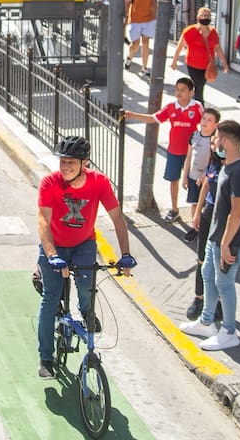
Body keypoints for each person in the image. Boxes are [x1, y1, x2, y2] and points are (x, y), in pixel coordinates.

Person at [36, 136, 135, 378]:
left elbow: (118, 220)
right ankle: (46, 358)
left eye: (71, 162)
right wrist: (51, 254)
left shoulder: (99, 182)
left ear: (85, 163)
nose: (65, 167)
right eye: (62, 162)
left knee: (86, 283)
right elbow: (42, 221)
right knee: (50, 299)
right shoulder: (50, 182)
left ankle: (86, 310)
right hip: (55, 247)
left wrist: (126, 255)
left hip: (83, 244)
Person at [179, 119, 240, 351]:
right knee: (207, 273)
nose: (212, 143)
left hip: (229, 241)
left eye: (215, 139)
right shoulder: (228, 165)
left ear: (224, 140)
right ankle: (206, 321)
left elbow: (238, 212)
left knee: (224, 283)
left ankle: (229, 332)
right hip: (217, 237)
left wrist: (225, 244)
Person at [124, 77, 203, 222]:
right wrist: (133, 115)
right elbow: (154, 118)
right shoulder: (171, 107)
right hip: (174, 151)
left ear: (191, 92)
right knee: (173, 180)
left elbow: (206, 124)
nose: (179, 93)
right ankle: (174, 209)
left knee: (193, 182)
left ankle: (196, 213)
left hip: (192, 153)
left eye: (183, 90)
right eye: (177, 89)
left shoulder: (196, 107)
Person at [185, 110, 224, 321]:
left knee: (217, 262)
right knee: (201, 259)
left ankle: (217, 302)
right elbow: (207, 184)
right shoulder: (214, 161)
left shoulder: (236, 166)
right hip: (209, 212)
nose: (213, 143)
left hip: (223, 218)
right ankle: (199, 298)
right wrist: (198, 211)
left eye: (217, 139)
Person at [171, 6, 230, 103]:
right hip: (193, 64)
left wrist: (224, 63)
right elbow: (180, 46)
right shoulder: (190, 31)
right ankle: (199, 105)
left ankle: (194, 104)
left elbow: (218, 48)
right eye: (202, 15)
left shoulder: (213, 32)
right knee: (198, 86)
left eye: (207, 16)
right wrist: (174, 61)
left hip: (207, 66)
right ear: (198, 17)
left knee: (200, 85)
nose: (205, 18)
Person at [183, 107, 221, 245]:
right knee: (194, 202)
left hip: (206, 178)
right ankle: (195, 227)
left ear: (216, 124)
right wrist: (185, 176)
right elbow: (188, 156)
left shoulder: (214, 141)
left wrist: (205, 175)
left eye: (209, 120)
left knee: (205, 205)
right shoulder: (194, 136)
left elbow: (213, 161)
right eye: (204, 118)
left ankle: (205, 228)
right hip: (193, 175)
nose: (205, 122)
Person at [124, 0, 157, 74]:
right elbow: (127, 0)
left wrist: (155, 14)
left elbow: (155, 0)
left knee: (146, 42)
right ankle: (129, 58)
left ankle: (145, 68)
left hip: (149, 19)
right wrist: (125, 14)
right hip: (135, 19)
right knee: (135, 44)